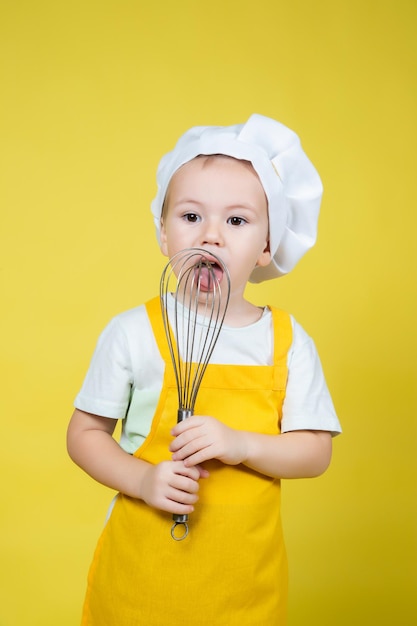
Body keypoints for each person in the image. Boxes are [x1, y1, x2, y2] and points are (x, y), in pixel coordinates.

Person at [67, 113, 342, 626]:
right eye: (191, 217)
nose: (211, 236)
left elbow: (315, 452)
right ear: (164, 235)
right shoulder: (134, 332)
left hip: (245, 593)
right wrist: (144, 480)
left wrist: (242, 445)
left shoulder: (287, 342)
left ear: (266, 246)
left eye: (236, 221)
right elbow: (84, 433)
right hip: (140, 584)